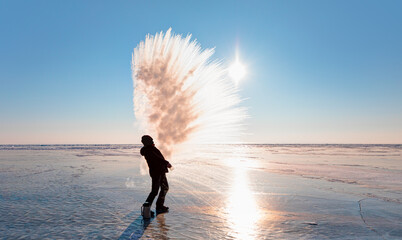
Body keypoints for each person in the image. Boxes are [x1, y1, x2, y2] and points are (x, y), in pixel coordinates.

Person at [140, 135, 172, 214]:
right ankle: (147, 209)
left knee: (164, 188)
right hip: (157, 172)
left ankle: (158, 206)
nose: (153, 141)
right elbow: (157, 159)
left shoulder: (150, 149)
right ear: (148, 141)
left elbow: (158, 158)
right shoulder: (149, 150)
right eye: (151, 140)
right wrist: (166, 163)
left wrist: (165, 164)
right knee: (155, 191)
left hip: (159, 171)